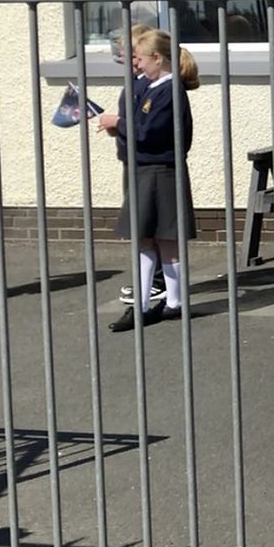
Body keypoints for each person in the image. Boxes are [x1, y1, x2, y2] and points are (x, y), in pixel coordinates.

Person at [98, 26, 197, 332]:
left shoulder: (170, 89)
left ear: (157, 57)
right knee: (147, 238)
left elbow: (148, 131)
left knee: (162, 239)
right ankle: (155, 304)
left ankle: (169, 304)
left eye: (140, 57)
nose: (136, 64)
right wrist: (122, 126)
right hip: (147, 170)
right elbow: (139, 124)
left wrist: (120, 123)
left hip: (159, 172)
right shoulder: (148, 85)